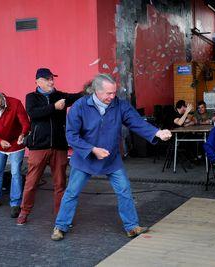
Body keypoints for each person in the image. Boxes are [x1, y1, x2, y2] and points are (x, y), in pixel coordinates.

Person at [50, 74, 172, 241]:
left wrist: (157, 132)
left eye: (114, 92)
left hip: (111, 158)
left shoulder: (120, 105)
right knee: (71, 192)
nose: (112, 97)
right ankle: (61, 226)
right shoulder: (79, 106)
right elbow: (71, 135)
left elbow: (136, 122)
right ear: (96, 91)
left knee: (124, 190)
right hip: (85, 158)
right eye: (108, 93)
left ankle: (132, 227)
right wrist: (92, 149)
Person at [16, 68, 83, 225]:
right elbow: (33, 114)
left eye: (52, 79)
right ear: (37, 81)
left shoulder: (60, 96)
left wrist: (91, 88)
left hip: (59, 146)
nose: (51, 82)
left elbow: (78, 96)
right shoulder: (31, 97)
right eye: (47, 79)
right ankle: (24, 211)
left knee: (60, 183)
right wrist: (54, 107)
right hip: (38, 147)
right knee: (31, 183)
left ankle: (61, 216)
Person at [0, 87, 30, 218]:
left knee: (15, 173)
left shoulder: (15, 103)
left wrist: (23, 134)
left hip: (16, 144)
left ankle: (15, 203)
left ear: (1, 96)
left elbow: (25, 122)